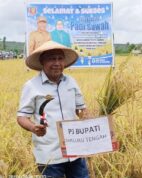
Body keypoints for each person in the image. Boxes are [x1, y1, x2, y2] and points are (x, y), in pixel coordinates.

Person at [17, 41, 89, 178]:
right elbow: (21, 117)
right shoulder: (32, 86)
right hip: (49, 155)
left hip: (75, 150)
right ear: (42, 62)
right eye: (52, 58)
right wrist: (33, 128)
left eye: (60, 58)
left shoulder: (71, 82)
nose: (57, 63)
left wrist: (93, 125)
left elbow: (81, 110)